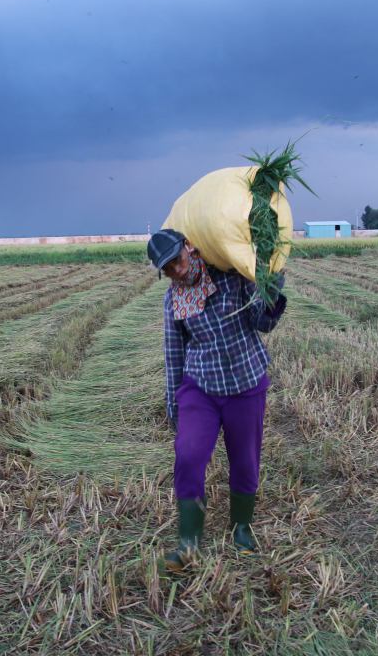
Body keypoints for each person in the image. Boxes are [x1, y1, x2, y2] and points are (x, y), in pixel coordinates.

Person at [147, 228, 288, 572]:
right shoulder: (173, 300)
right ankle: (188, 541)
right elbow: (174, 352)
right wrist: (173, 403)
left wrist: (270, 285)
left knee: (245, 459)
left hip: (245, 381)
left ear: (189, 247)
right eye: (167, 268)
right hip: (201, 386)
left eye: (176, 260)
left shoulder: (231, 275)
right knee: (188, 454)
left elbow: (262, 322)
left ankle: (241, 528)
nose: (176, 270)